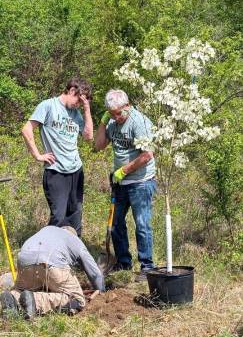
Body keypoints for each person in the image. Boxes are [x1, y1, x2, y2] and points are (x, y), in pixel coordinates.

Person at [95, 89, 156, 280]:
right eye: (112, 114)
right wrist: (104, 121)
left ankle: (147, 267)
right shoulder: (112, 122)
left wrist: (124, 170)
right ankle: (123, 263)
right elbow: (98, 146)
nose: (117, 117)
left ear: (127, 106)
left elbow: (147, 155)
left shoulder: (139, 122)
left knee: (142, 224)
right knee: (116, 224)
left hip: (141, 182)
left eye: (119, 113)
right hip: (120, 183)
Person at [22, 78, 93, 237]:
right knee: (59, 217)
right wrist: (38, 155)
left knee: (75, 216)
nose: (78, 105)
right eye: (79, 101)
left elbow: (88, 136)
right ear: (72, 91)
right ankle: (50, 256)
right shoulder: (48, 106)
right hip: (55, 171)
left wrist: (86, 109)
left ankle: (72, 256)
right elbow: (26, 130)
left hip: (76, 169)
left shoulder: (76, 114)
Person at [0, 226, 105, 319]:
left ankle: (13, 297)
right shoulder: (73, 238)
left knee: (21, 290)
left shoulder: (46, 230)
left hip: (24, 261)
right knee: (77, 300)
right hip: (50, 262)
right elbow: (94, 272)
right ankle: (35, 300)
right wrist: (101, 290)